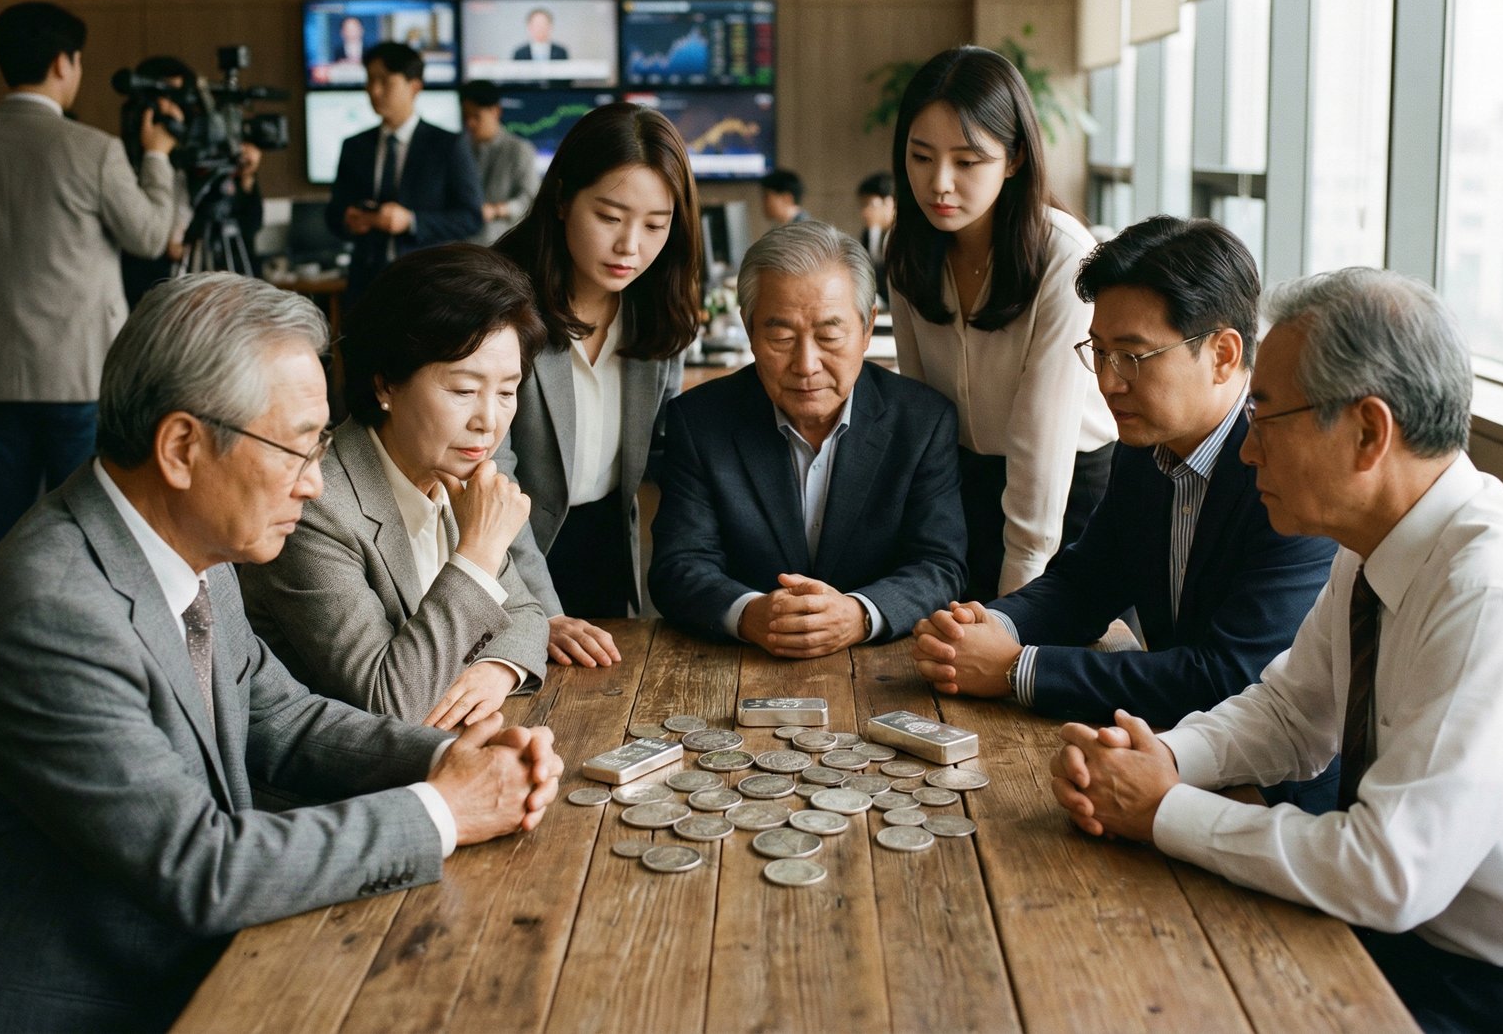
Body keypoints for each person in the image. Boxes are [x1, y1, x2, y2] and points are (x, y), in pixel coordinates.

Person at [0, 273, 561, 1031]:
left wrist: (442, 758)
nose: (316, 484)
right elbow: (202, 864)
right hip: (103, 1002)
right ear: (182, 446)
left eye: (320, 444)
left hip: (216, 958)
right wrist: (444, 809)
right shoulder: (51, 609)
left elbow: (283, 719)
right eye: (295, 448)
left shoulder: (191, 545)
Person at [1050, 268, 1503, 1034]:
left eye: (1265, 417)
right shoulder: (1377, 541)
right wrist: (1170, 757)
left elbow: (1390, 870)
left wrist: (1165, 810)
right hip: (1402, 938)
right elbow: (1293, 711)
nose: (1248, 451)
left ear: (1368, 431)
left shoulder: (1493, 592)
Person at [910, 217, 1339, 806]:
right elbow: (1089, 579)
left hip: (1277, 795)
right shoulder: (1149, 445)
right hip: (1170, 747)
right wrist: (990, 627)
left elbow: (1231, 676)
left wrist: (1017, 669)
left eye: (1134, 357)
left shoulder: (1288, 472)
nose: (1109, 382)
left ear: (1222, 353)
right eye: (1100, 352)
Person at [240, 245, 551, 725]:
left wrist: (495, 669)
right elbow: (389, 700)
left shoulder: (452, 468)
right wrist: (477, 554)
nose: (489, 421)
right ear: (385, 385)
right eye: (463, 391)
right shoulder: (316, 507)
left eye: (507, 391)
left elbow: (528, 614)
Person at [649, 221, 966, 656]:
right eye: (780, 336)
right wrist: (748, 613)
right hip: (735, 665)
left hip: (885, 666)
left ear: (868, 327)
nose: (806, 364)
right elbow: (678, 565)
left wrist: (860, 614)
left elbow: (939, 565)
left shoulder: (922, 423)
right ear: (749, 328)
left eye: (829, 335)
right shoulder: (701, 420)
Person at [886, 46, 1117, 601]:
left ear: (1013, 159)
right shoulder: (909, 250)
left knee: (1039, 665)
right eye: (921, 157)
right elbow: (920, 410)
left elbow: (1042, 442)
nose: (940, 183)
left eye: (967, 163)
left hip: (1070, 490)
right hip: (962, 484)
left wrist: (1013, 613)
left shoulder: (1064, 256)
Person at [493, 102, 702, 668]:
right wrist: (540, 611)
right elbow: (490, 474)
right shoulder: (500, 306)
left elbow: (667, 456)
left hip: (608, 543)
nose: (630, 246)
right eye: (609, 217)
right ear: (562, 199)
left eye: (655, 226)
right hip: (507, 554)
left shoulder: (658, 314)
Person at [0, 1, 179, 561]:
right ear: (65, 63)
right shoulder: (93, 150)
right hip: (78, 374)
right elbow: (152, 235)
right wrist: (158, 158)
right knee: (85, 527)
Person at [325, 41, 483, 306]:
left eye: (385, 81)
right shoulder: (354, 146)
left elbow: (470, 217)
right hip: (366, 285)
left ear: (414, 86)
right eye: (370, 80)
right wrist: (348, 219)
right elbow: (332, 213)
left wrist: (411, 221)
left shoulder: (448, 144)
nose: (374, 90)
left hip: (428, 285)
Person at [120, 53, 266, 307]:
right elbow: (140, 237)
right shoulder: (121, 160)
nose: (170, 109)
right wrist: (156, 155)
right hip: (154, 294)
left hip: (216, 296)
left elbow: (248, 226)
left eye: (178, 98)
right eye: (160, 97)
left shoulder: (204, 155)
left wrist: (246, 177)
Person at [460, 79, 540, 243]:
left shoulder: (519, 149)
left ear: (495, 111)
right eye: (466, 117)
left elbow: (531, 200)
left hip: (502, 243)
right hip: (464, 242)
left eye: (476, 116)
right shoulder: (461, 149)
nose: (470, 124)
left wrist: (497, 210)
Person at [856, 170, 895, 306]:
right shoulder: (869, 234)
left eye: (869, 204)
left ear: (889, 202)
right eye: (862, 205)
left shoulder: (908, 236)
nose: (864, 212)